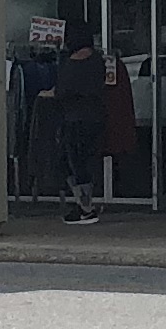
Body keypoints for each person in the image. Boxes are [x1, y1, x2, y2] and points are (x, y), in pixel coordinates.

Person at [32, 20, 111, 224]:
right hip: (95, 117)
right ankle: (83, 205)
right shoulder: (97, 60)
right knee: (82, 162)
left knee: (72, 163)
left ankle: (86, 207)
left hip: (75, 119)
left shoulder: (71, 62)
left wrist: (46, 94)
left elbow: (62, 91)